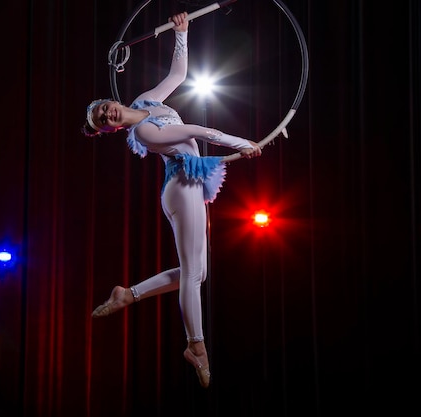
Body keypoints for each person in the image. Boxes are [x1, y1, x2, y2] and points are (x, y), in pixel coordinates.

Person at [82, 11, 262, 389]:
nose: (106, 114)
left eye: (103, 109)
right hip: (180, 188)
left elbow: (177, 76)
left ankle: (129, 294)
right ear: (111, 129)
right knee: (193, 275)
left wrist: (182, 33)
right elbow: (197, 129)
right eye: (103, 121)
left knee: (197, 273)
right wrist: (241, 143)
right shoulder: (145, 131)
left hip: (188, 183)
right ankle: (196, 345)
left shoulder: (145, 101)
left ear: (108, 101)